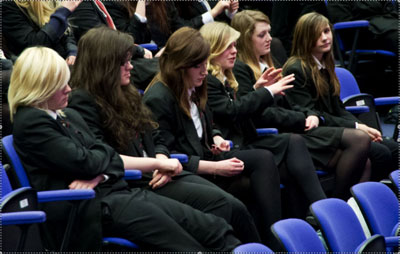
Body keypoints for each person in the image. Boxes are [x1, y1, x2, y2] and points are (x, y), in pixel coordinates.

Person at [8, 46, 243, 251]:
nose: (69, 89)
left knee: (213, 228)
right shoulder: (31, 121)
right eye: (60, 85)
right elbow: (88, 160)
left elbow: (101, 152)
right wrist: (99, 168)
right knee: (187, 245)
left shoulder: (64, 114)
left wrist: (98, 174)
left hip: (118, 194)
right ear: (40, 87)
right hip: (90, 208)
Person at [67, 26, 259, 244]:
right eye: (124, 62)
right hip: (135, 183)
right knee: (223, 210)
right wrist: (157, 164)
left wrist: (161, 158)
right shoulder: (83, 102)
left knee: (233, 208)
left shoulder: (125, 92)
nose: (131, 66)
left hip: (159, 174)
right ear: (105, 64)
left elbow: (155, 135)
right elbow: (104, 156)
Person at [144, 26, 290, 251]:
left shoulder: (194, 85)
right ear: (179, 66)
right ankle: (267, 245)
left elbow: (205, 126)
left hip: (204, 158)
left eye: (205, 63)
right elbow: (167, 155)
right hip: (184, 172)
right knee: (237, 202)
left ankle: (274, 239)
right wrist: (215, 167)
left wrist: (216, 138)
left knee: (264, 163)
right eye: (197, 65)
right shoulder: (159, 98)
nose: (204, 70)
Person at [230, 10, 372, 199]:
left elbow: (290, 104)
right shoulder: (242, 69)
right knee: (359, 140)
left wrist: (309, 115)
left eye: (269, 33)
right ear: (246, 39)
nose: (270, 39)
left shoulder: (269, 63)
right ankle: (331, 211)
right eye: (262, 35)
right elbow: (262, 114)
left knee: (367, 160)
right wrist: (303, 117)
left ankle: (343, 215)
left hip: (296, 128)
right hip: (282, 135)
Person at [199, 22, 327, 213]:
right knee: (280, 162)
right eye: (228, 47)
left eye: (235, 45)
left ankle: (317, 212)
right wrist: (266, 92)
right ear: (213, 49)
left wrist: (255, 90)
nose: (234, 51)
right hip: (230, 146)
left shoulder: (225, 76)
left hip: (245, 139)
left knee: (293, 142)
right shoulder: (208, 79)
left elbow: (237, 107)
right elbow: (231, 111)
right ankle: (313, 216)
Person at [282, 12, 397, 185]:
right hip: (316, 135)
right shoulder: (296, 69)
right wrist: (357, 127)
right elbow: (313, 114)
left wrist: (362, 127)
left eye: (326, 31)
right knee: (381, 154)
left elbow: (339, 109)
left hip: (336, 129)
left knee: (395, 150)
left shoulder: (325, 66)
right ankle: (355, 201)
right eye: (317, 34)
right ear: (305, 38)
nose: (324, 38)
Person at [2, 0, 81, 64]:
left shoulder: (49, 2)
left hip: (60, 63)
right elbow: (35, 45)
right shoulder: (8, 6)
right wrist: (61, 13)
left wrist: (72, 51)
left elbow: (66, 33)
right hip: (37, 69)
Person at [174, 0, 239, 29]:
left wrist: (230, 12)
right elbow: (182, 28)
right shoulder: (177, 4)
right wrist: (213, 12)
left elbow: (221, 19)